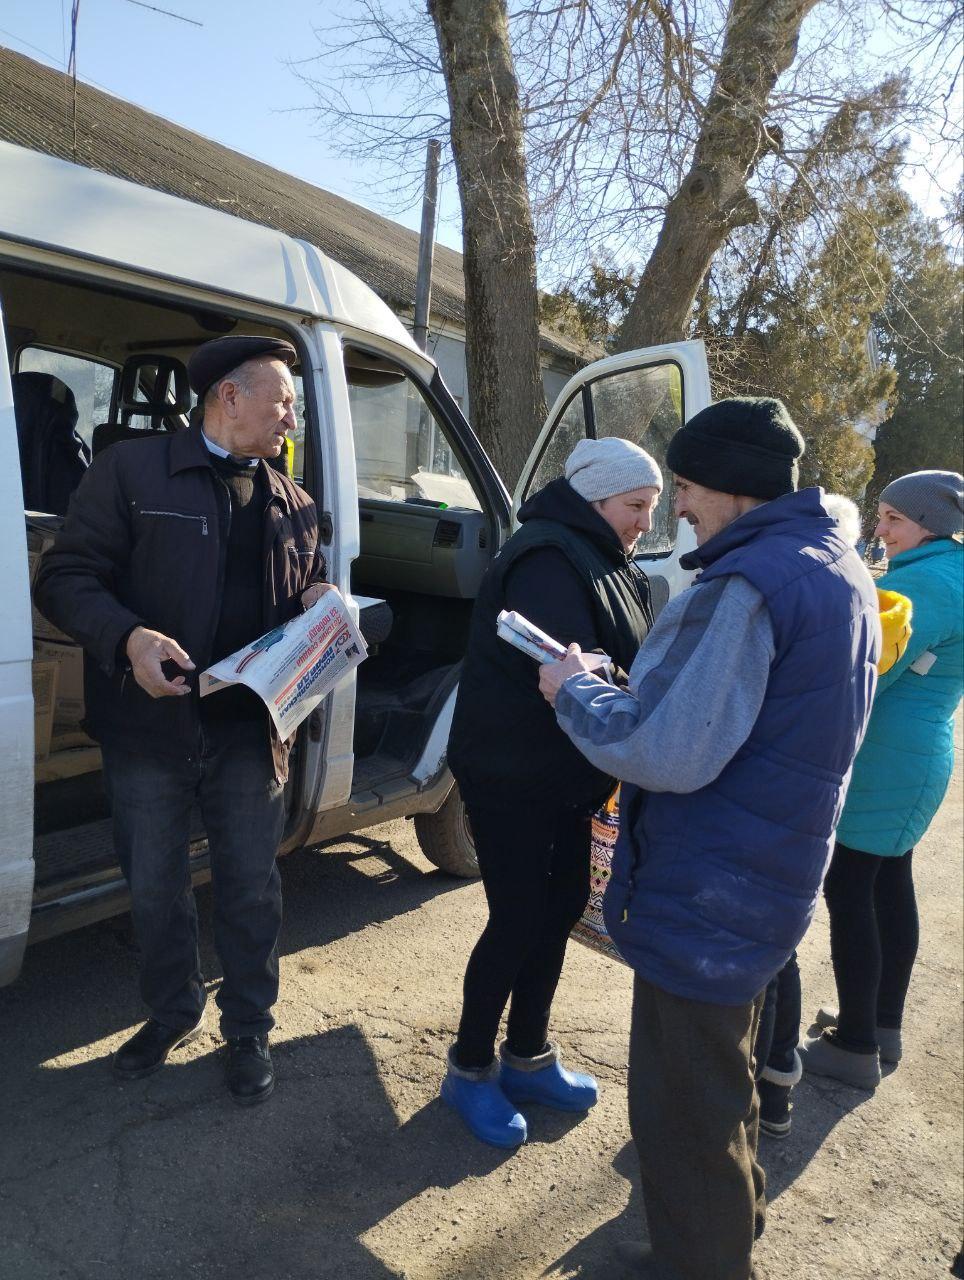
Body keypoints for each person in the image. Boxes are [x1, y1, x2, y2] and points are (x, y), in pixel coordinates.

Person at [539, 398, 880, 1280]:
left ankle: (702, 1262)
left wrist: (575, 690)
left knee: (683, 1109)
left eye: (684, 486)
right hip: (769, 873)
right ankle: (733, 1224)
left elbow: (667, 750)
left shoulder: (745, 587)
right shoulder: (832, 564)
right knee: (722, 1089)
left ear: (727, 485)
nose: (677, 506)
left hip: (709, 885)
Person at [34, 335, 328, 1106]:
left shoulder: (292, 500)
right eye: (283, 399)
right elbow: (64, 578)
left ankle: (249, 1029)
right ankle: (172, 1013)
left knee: (250, 890)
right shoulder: (133, 472)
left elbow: (303, 590)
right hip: (148, 731)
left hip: (246, 733)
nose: (292, 415)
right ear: (228, 397)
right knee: (156, 889)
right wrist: (126, 638)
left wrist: (320, 608)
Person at [441, 437, 661, 1148]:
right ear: (597, 498)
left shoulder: (605, 555)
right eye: (637, 506)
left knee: (561, 905)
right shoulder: (546, 555)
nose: (646, 523)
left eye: (652, 508)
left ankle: (528, 1055)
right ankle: (469, 1068)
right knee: (518, 916)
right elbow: (566, 666)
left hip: (567, 772)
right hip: (513, 771)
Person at [799, 470, 963, 1090]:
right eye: (882, 516)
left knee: (851, 891)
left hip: (888, 761)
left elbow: (872, 671)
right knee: (889, 887)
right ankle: (879, 1024)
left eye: (894, 519)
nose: (880, 530)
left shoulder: (923, 582)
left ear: (930, 525)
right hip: (916, 757)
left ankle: (856, 1045)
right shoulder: (951, 571)